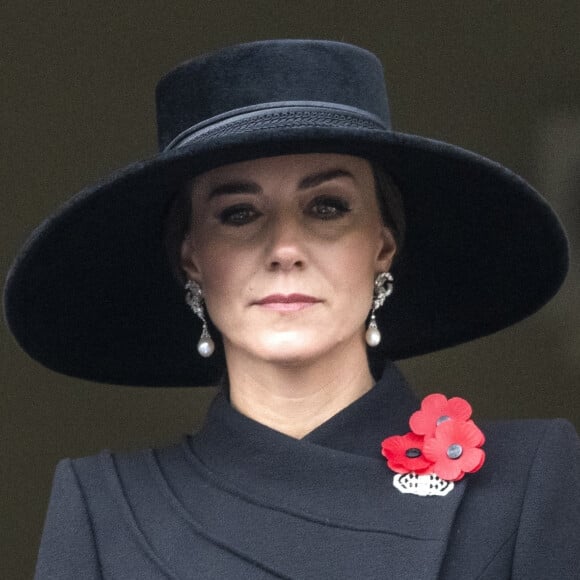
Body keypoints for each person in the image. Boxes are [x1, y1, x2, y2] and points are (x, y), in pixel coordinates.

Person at [4, 39, 579, 579]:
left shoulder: (528, 480)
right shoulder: (104, 507)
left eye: (326, 207)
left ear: (382, 244)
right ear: (192, 258)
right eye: (239, 214)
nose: (284, 250)